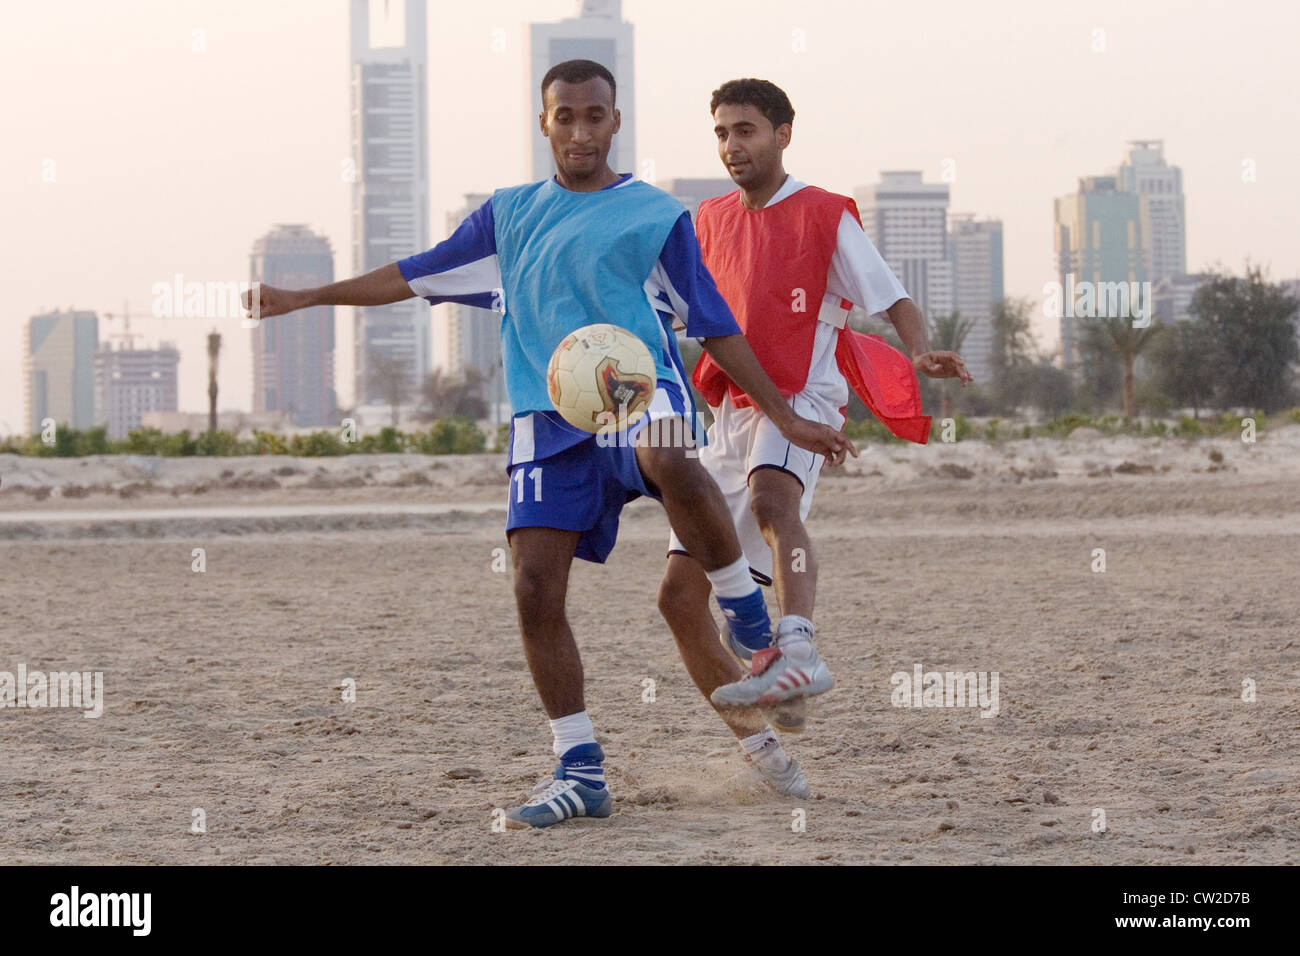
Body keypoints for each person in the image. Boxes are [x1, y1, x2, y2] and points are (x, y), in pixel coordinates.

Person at [242, 61, 855, 828]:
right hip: (548, 419)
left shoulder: (654, 215)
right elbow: (411, 274)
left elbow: (714, 326)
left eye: (595, 115)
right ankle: (580, 769)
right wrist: (303, 297)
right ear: (545, 123)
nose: (580, 130)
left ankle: (753, 626)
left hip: (642, 396)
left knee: (670, 457)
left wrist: (785, 417)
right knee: (534, 589)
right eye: (565, 116)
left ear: (615, 122)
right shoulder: (507, 217)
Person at [657, 78, 971, 744]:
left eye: (746, 130)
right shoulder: (707, 220)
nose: (732, 145)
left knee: (773, 502)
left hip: (803, 395)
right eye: (721, 133)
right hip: (732, 412)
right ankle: (767, 734)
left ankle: (798, 643)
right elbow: (675, 308)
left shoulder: (824, 214)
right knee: (679, 596)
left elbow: (893, 297)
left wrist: (919, 351)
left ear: (783, 134)